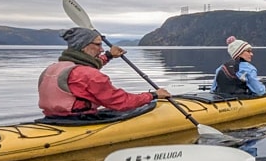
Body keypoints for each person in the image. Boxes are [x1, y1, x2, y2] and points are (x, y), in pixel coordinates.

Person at [38, 27, 169, 117]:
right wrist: (153, 95)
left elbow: (85, 71)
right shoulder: (89, 75)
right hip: (78, 121)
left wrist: (109, 55)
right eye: (98, 45)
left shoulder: (53, 68)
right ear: (84, 46)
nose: (101, 49)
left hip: (53, 118)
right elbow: (121, 102)